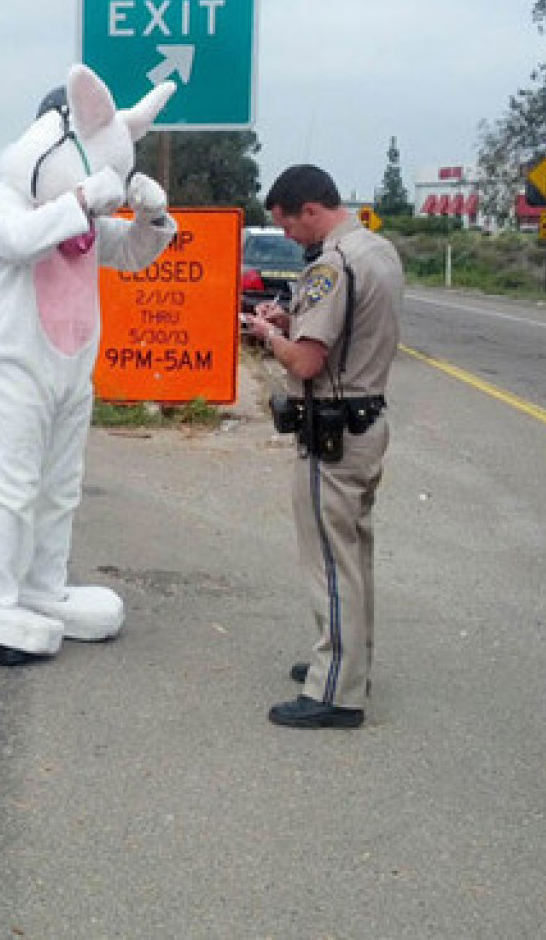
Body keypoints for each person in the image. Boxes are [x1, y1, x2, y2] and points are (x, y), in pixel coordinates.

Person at [0, 64, 176, 666]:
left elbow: (128, 253)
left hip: (72, 367)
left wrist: (153, 219)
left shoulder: (81, 217)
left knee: (60, 488)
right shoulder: (4, 202)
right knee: (15, 484)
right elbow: (24, 241)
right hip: (15, 365)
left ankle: (43, 588)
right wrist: (80, 198)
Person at [244, 165, 403, 729]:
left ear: (309, 210)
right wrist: (293, 317)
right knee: (354, 555)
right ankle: (349, 664)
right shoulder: (377, 250)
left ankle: (335, 691)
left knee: (331, 563)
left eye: (288, 226)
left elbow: (308, 361)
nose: (289, 237)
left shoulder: (332, 263)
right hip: (367, 420)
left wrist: (270, 336)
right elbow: (348, 328)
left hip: (333, 430)